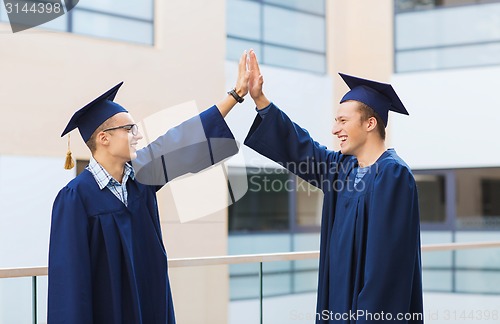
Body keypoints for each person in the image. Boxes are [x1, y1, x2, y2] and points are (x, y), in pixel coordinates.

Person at [47, 53, 250, 323]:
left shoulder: (143, 175)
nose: (138, 135)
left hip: (150, 306)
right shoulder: (75, 197)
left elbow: (182, 137)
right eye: (130, 129)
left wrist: (236, 95)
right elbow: (69, 284)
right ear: (104, 138)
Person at [244, 50, 423, 323]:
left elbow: (386, 270)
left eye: (342, 121)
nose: (334, 129)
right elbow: (301, 148)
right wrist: (260, 100)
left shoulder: (393, 175)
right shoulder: (342, 168)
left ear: (370, 123)